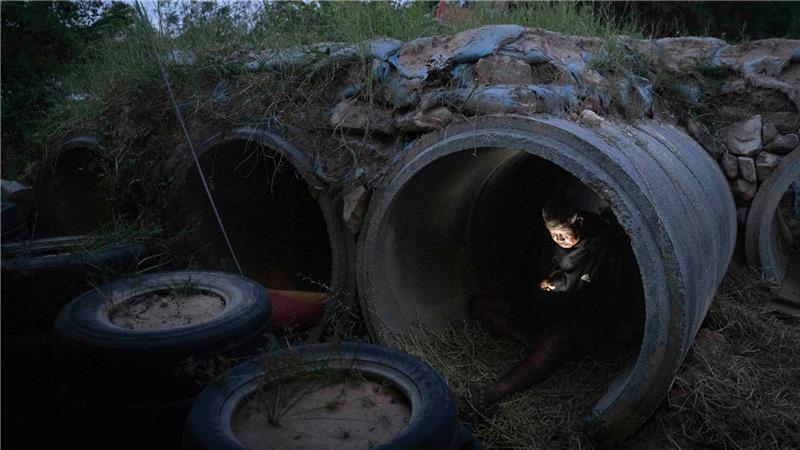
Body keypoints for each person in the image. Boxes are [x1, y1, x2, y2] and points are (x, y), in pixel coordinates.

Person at [468, 198, 612, 412]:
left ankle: (495, 391)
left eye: (562, 233)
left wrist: (554, 286)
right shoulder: (550, 242)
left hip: (575, 317)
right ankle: (531, 343)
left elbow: (584, 290)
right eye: (553, 234)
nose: (558, 239)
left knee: (553, 342)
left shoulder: (597, 244)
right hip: (542, 307)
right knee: (481, 306)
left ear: (578, 223)